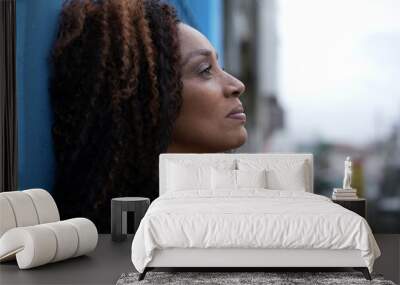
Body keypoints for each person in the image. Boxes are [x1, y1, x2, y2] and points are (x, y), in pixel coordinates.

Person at [49, 0, 247, 232]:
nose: (237, 85)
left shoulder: (211, 217)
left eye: (218, 66)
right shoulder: (136, 236)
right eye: (205, 70)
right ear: (147, 93)